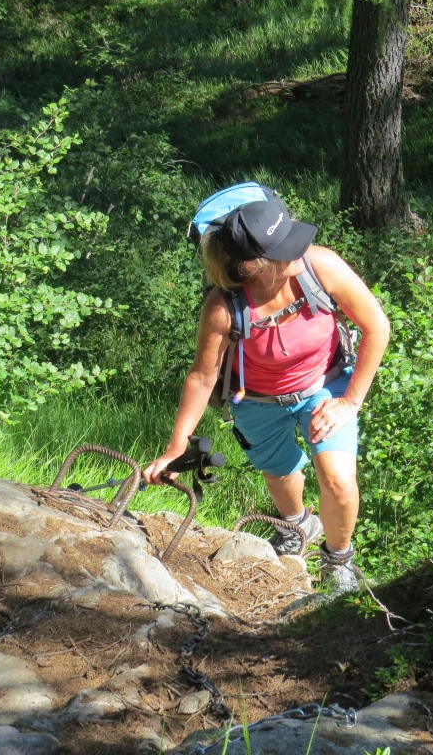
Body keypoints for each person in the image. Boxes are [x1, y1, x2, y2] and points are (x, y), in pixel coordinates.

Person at [142, 194, 389, 594]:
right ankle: (296, 529)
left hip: (325, 386)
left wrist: (349, 401)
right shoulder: (223, 308)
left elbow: (377, 325)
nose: (300, 248)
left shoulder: (320, 266)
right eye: (286, 246)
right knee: (280, 473)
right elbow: (202, 377)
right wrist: (175, 448)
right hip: (256, 401)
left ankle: (338, 562)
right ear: (253, 265)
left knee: (339, 482)